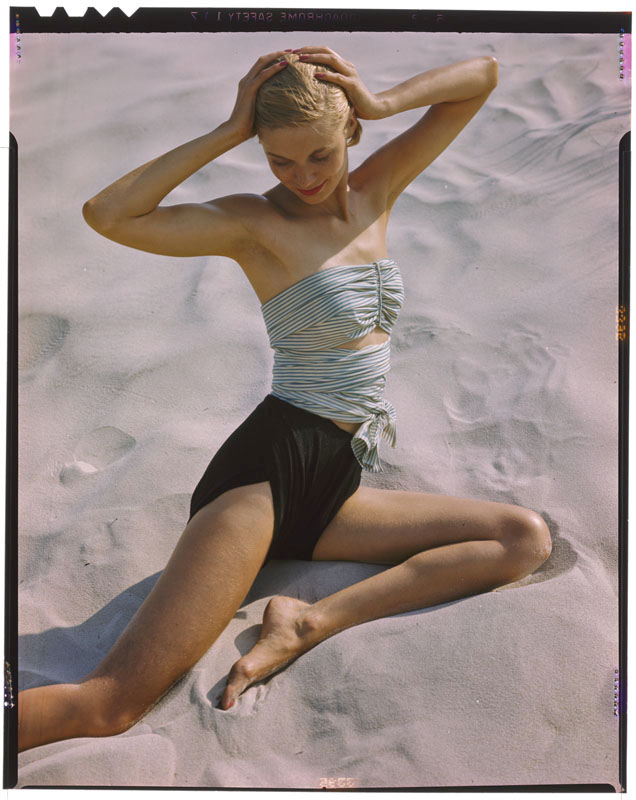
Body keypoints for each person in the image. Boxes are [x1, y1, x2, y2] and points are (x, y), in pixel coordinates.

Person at [18, 46, 551, 753]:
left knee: (522, 539)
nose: (301, 178)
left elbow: (483, 74)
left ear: (351, 132)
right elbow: (108, 214)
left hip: (336, 479)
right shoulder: (253, 223)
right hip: (263, 477)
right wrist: (228, 131)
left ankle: (308, 621)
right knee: (109, 705)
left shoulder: (377, 190)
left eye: (320, 157)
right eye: (279, 161)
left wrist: (382, 99)